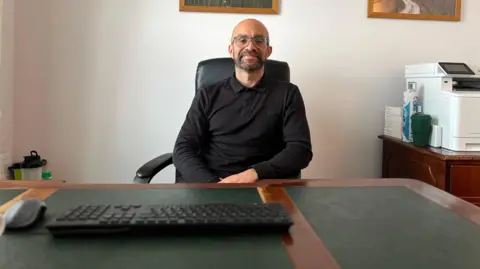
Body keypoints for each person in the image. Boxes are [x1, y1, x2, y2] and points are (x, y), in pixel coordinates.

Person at [172, 18, 312, 183]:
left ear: (268, 51)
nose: (250, 47)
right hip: (212, 185)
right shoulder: (207, 95)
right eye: (242, 40)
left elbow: (300, 150)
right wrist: (212, 185)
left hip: (264, 185)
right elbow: (183, 148)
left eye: (259, 40)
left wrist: (252, 174)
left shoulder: (288, 94)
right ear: (231, 49)